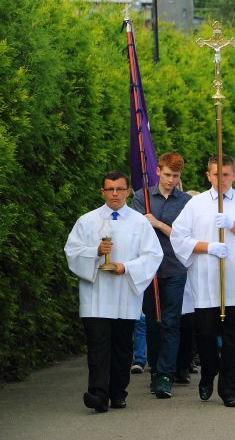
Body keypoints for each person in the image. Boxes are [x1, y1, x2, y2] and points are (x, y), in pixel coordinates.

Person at [170, 155, 235, 408]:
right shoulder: (196, 204)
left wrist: (233, 225)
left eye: (226, 175)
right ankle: (208, 372)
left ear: (234, 175)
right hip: (206, 282)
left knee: (234, 338)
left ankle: (229, 388)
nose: (221, 180)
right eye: (216, 174)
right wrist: (207, 247)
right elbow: (179, 238)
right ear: (208, 175)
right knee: (205, 335)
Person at [64, 170, 163, 413]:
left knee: (121, 346)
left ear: (128, 191)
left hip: (124, 294)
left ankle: (118, 391)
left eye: (120, 189)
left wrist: (126, 267)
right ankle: (98, 394)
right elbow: (72, 252)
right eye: (110, 189)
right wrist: (96, 252)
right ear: (103, 192)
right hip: (95, 294)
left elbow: (153, 255)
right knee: (98, 345)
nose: (115, 194)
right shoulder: (87, 221)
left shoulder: (139, 222)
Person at [131, 152, 192, 399]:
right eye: (167, 175)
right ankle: (155, 370)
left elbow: (183, 235)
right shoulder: (140, 197)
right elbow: (135, 231)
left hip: (175, 267)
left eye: (175, 176)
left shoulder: (187, 201)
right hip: (149, 270)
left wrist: (157, 224)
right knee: (153, 321)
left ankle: (167, 374)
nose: (171, 180)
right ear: (158, 171)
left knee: (171, 321)